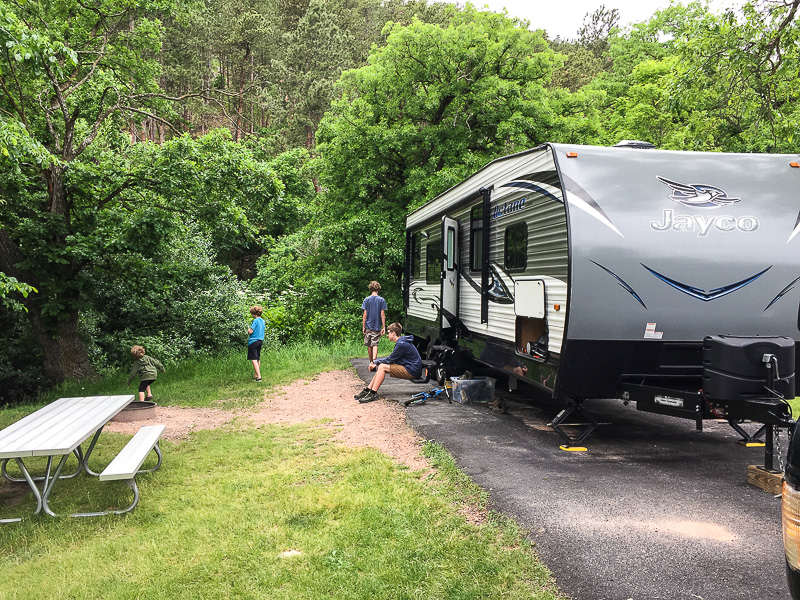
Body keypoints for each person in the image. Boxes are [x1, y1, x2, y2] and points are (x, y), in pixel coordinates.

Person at [355, 322, 422, 403]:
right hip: (410, 368)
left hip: (412, 370)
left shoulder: (401, 344)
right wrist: (377, 362)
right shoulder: (401, 342)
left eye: (389, 333)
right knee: (382, 366)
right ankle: (368, 390)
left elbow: (390, 359)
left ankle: (373, 393)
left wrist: (375, 362)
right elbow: (392, 359)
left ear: (393, 333)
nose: (387, 335)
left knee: (382, 367)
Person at [361, 281, 387, 362]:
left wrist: (363, 326)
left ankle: (371, 361)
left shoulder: (366, 300)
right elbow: (382, 314)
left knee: (369, 344)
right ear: (378, 289)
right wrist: (383, 326)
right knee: (375, 343)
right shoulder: (381, 300)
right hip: (377, 325)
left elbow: (365, 314)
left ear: (370, 289)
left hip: (368, 325)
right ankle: (375, 361)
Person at [248, 305, 265, 382]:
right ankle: (256, 374)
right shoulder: (262, 321)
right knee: (257, 358)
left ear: (254, 314)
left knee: (253, 359)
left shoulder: (255, 321)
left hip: (253, 341)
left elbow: (251, 331)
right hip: (260, 341)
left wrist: (248, 330)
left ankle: (259, 377)